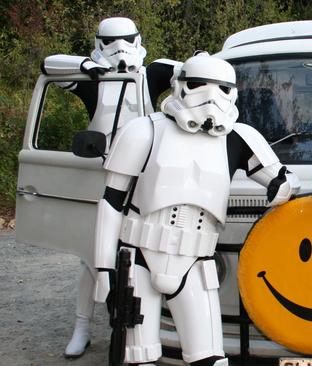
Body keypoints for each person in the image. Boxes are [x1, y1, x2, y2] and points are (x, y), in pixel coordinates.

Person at [92, 54, 300, 366]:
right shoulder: (144, 131)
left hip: (196, 263)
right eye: (198, 85)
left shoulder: (238, 138)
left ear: (233, 92)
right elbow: (111, 203)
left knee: (209, 358)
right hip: (138, 257)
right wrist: (104, 270)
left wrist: (281, 188)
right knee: (137, 357)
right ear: (180, 85)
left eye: (221, 89)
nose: (210, 96)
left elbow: (282, 181)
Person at [41, 17, 178, 358]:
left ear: (138, 39)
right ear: (100, 42)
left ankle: (158, 328)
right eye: (112, 42)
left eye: (126, 41)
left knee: (153, 256)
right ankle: (82, 327)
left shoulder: (152, 74)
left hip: (147, 181)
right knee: (93, 258)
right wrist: (86, 66)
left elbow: (193, 71)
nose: (120, 49)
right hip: (105, 180)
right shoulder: (93, 82)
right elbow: (47, 65)